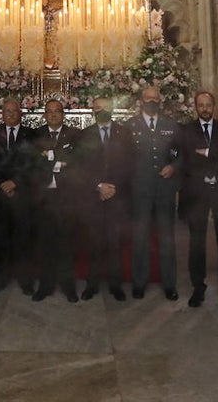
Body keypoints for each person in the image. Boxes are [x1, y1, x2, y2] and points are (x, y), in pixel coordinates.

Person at [178, 90, 218, 308]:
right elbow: (186, 158)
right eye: (201, 105)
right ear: (196, 107)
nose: (204, 108)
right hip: (197, 192)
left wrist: (205, 152)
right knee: (197, 242)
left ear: (214, 106)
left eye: (208, 105)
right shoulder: (187, 129)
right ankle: (198, 288)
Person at [75, 97, 133, 302]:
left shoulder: (124, 134)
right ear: (93, 111)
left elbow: (130, 164)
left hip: (118, 197)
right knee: (95, 243)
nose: (102, 111)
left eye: (106, 108)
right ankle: (92, 284)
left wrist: (113, 187)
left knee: (115, 243)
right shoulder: (84, 135)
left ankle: (115, 285)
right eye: (98, 108)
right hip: (93, 198)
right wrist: (99, 186)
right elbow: (80, 167)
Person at [127, 86, 181, 300]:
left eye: (154, 98)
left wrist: (173, 166)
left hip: (164, 190)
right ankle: (139, 282)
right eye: (147, 98)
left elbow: (177, 152)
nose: (151, 101)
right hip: (140, 191)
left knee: (167, 238)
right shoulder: (130, 126)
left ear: (160, 100)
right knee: (140, 238)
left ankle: (169, 284)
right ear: (141, 100)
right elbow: (125, 158)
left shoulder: (170, 125)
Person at [0, 98, 37, 296]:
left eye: (14, 111)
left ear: (20, 113)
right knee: (0, 240)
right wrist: (3, 184)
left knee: (23, 241)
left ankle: (25, 280)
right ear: (2, 114)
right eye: (7, 111)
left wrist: (16, 183)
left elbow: (33, 164)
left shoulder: (31, 134)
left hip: (22, 195)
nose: (11, 114)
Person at [29, 99, 81, 302]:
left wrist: (48, 157)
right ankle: (45, 285)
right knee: (45, 243)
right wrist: (59, 159)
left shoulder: (75, 135)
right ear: (44, 115)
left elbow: (76, 160)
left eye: (57, 111)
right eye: (49, 111)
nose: (53, 115)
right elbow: (32, 162)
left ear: (63, 114)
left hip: (66, 197)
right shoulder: (35, 135)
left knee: (66, 243)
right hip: (43, 198)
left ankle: (68, 286)